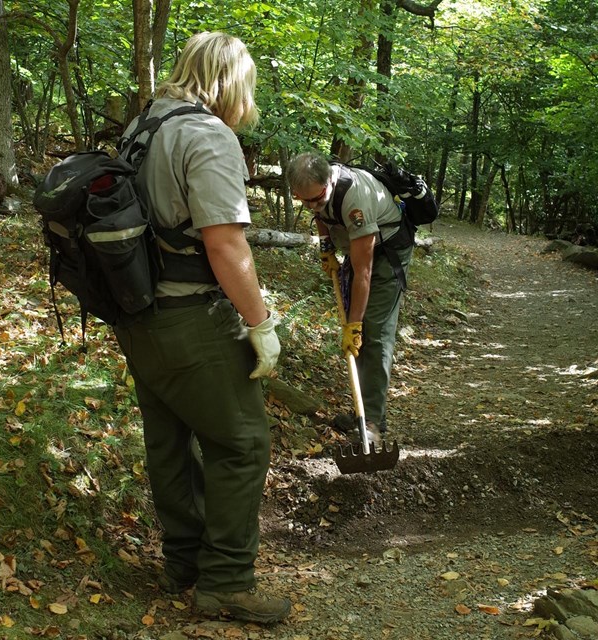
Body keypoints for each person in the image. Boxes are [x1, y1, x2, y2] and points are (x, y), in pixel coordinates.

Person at [113, 32, 291, 624]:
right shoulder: (208, 135)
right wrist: (260, 323)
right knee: (242, 443)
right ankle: (226, 582)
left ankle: (184, 563)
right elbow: (225, 244)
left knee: (168, 439)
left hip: (138, 317)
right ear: (232, 80)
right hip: (191, 317)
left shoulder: (144, 125)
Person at [286, 152, 414, 448]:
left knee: (375, 332)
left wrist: (354, 325)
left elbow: (363, 271)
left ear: (328, 181)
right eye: (304, 201)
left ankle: (372, 423)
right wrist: (326, 246)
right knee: (362, 331)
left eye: (317, 199)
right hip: (359, 250)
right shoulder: (314, 192)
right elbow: (321, 215)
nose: (312, 207)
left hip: (387, 253)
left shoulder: (354, 197)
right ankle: (361, 411)